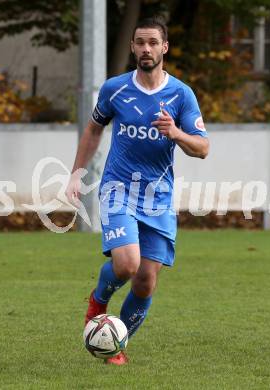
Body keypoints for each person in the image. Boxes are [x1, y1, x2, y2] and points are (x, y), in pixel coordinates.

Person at [66, 16, 209, 365]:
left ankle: (114, 344)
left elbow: (202, 148)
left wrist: (175, 133)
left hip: (157, 199)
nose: (146, 48)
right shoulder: (115, 88)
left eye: (152, 42)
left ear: (164, 48)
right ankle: (97, 303)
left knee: (145, 282)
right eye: (140, 42)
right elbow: (93, 129)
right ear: (132, 47)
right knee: (127, 264)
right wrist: (76, 174)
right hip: (118, 189)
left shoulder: (180, 94)